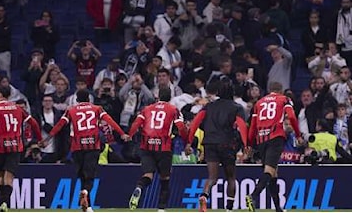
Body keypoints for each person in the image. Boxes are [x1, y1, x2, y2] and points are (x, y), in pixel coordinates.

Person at [46, 89, 130, 212]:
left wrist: (48, 138)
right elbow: (109, 121)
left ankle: (88, 207)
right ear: (89, 99)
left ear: (77, 99)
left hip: (77, 148)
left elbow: (60, 125)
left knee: (82, 177)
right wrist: (122, 133)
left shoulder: (70, 110)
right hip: (92, 146)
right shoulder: (97, 109)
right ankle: (85, 194)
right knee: (89, 177)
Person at [0, 86, 43, 212]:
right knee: (9, 177)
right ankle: (5, 204)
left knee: (0, 176)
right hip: (15, 146)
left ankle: (2, 203)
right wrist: (39, 139)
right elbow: (33, 123)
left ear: (0, 94)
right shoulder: (18, 108)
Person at [185, 81, 248, 212]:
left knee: (212, 177)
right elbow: (242, 126)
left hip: (209, 143)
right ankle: (229, 209)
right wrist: (246, 144)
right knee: (231, 177)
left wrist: (189, 142)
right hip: (227, 144)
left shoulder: (208, 106)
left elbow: (195, 123)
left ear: (218, 92)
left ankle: (204, 195)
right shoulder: (237, 107)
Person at [127, 87, 188, 211]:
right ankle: (161, 209)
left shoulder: (146, 109)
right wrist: (186, 140)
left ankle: (139, 187)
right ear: (170, 97)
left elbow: (136, 124)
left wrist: (130, 135)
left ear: (158, 96)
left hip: (147, 146)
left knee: (148, 175)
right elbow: (181, 127)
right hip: (163, 148)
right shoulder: (173, 109)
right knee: (164, 178)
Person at [246, 81, 303, 212]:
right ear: (281, 91)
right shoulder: (284, 99)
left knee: (273, 173)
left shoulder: (259, 103)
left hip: (261, 139)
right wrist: (298, 134)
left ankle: (278, 208)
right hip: (275, 137)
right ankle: (253, 196)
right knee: (270, 171)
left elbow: (253, 126)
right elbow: (292, 117)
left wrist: (249, 144)